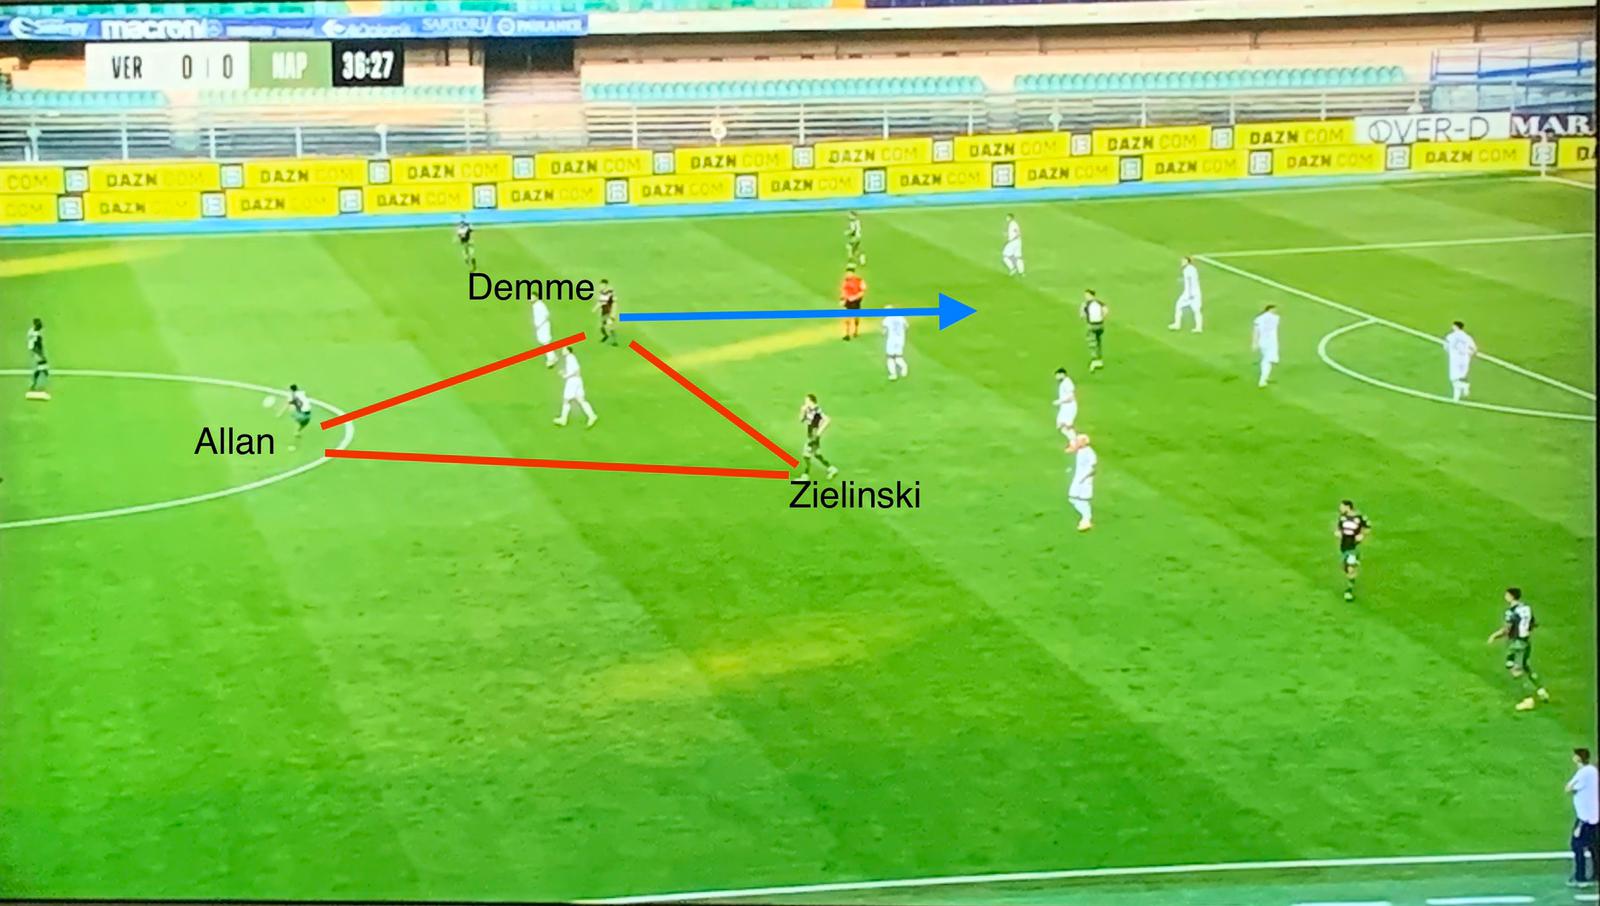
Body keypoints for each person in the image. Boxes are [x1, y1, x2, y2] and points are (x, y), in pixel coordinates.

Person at [1486, 587, 1550, 711]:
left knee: (1514, 669)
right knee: (1525, 667)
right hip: (1526, 642)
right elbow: (1533, 624)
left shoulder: (1511, 612)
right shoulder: (1526, 608)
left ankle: (1528, 700)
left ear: (1510, 596)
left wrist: (1494, 636)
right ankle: (1541, 691)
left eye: (1506, 595)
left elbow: (1506, 629)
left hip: (1517, 643)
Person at [1566, 748, 1598, 887]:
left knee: (1577, 845)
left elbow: (1568, 788)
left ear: (1579, 758)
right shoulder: (1592, 771)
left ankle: (1580, 877)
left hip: (1584, 818)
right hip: (1593, 816)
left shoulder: (1584, 772)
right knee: (1593, 846)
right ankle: (1596, 874)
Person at [553, 349, 597, 428]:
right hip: (578, 380)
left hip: (572, 381)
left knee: (566, 400)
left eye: (564, 349)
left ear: (568, 351)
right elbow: (575, 369)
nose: (562, 351)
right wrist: (564, 373)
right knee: (581, 399)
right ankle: (592, 416)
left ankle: (563, 419)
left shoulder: (570, 358)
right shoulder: (571, 358)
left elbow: (576, 370)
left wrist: (566, 376)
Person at [1335, 499, 1369, 601]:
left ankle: (1349, 591)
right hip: (1344, 546)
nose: (1340, 508)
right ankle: (1351, 578)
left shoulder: (1359, 517)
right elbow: (1339, 528)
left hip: (1353, 547)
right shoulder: (1342, 518)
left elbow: (1367, 527)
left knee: (1350, 568)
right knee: (1345, 568)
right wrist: (1338, 533)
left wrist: (1362, 535)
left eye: (1342, 507)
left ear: (1348, 507)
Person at [798, 393, 838, 479]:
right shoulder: (808, 410)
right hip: (810, 435)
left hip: (814, 436)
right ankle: (832, 469)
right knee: (817, 455)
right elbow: (801, 420)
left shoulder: (817, 410)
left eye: (806, 401)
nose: (805, 402)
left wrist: (819, 433)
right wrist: (802, 411)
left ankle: (805, 476)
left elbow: (828, 420)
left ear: (811, 401)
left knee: (806, 455)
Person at [1066, 433, 1096, 531]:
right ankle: (1085, 517)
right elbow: (1069, 450)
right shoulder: (1081, 450)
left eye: (1078, 441)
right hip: (1078, 479)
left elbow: (1093, 468)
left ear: (1083, 442)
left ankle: (1086, 520)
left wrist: (1084, 479)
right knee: (1072, 498)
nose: (1076, 442)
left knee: (1083, 500)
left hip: (1084, 481)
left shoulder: (1089, 453)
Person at [1445, 320, 1478, 402]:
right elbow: (1474, 349)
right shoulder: (1467, 337)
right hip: (1465, 359)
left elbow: (1446, 347)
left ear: (1456, 327)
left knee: (1454, 379)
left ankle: (1465, 386)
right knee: (1461, 378)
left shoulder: (1450, 336)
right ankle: (1456, 398)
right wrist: (1469, 354)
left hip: (1455, 360)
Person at [1169, 256, 1203, 332]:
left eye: (1183, 261)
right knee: (1196, 310)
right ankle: (1198, 327)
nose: (1182, 262)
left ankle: (1177, 324)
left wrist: (1190, 294)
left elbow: (1190, 281)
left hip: (1189, 293)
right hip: (1196, 293)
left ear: (1187, 262)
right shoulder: (1193, 269)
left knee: (1178, 306)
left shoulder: (1187, 270)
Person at [275, 384, 312, 451]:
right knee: (303, 423)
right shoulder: (302, 392)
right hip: (308, 415)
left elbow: (287, 405)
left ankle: (297, 429)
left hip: (300, 415)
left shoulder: (292, 396)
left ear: (291, 390)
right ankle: (297, 431)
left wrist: (280, 413)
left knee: (292, 409)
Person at [1252, 304, 1281, 388]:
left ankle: (1265, 376)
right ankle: (1262, 380)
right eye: (1274, 309)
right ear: (1270, 310)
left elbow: (1256, 331)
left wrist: (1254, 343)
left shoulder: (1258, 318)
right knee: (1267, 361)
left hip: (1262, 342)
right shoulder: (1276, 318)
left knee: (1266, 359)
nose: (1276, 311)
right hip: (1271, 342)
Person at [1082, 290, 1108, 371]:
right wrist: (1102, 318)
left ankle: (1095, 360)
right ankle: (1099, 359)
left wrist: (1086, 318)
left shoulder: (1086, 304)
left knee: (1092, 342)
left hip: (1092, 325)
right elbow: (1106, 310)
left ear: (1091, 295)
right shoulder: (1099, 302)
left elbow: (1082, 315)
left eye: (1086, 295)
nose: (1085, 297)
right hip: (1100, 325)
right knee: (1098, 341)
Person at [24, 318, 49, 401]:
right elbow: (37, 345)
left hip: (34, 351)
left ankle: (36, 384)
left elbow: (30, 341)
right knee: (43, 368)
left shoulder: (31, 331)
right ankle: (36, 385)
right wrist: (41, 354)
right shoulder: (36, 335)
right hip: (36, 352)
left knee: (42, 368)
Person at [882, 305, 909, 381]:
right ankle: (904, 367)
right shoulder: (901, 317)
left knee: (890, 357)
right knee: (898, 356)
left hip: (891, 340)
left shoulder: (886, 320)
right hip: (900, 339)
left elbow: (884, 331)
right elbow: (906, 326)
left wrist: (884, 333)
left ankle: (893, 374)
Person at [839, 266, 866, 342]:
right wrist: (842, 299)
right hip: (848, 301)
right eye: (847, 273)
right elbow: (843, 290)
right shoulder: (845, 281)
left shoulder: (859, 280)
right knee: (846, 318)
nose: (848, 275)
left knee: (856, 317)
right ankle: (847, 334)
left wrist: (855, 297)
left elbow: (862, 291)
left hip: (856, 302)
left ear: (853, 274)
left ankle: (856, 330)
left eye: (849, 273)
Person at [531, 294, 556, 368]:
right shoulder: (535, 305)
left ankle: (551, 359)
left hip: (543, 326)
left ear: (536, 297)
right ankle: (552, 357)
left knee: (545, 342)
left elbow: (546, 315)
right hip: (540, 326)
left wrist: (540, 324)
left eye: (532, 297)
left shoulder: (540, 305)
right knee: (544, 342)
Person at [1053, 367, 1077, 442]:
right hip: (1065, 408)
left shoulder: (1067, 383)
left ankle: (1075, 441)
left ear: (1062, 374)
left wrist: (1059, 401)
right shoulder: (1064, 382)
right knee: (1061, 425)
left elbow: (1071, 397)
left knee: (1065, 426)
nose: (1056, 378)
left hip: (1069, 408)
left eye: (1057, 375)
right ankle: (1074, 441)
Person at [594, 279, 619, 347]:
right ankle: (606, 336)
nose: (601, 286)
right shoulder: (602, 292)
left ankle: (614, 341)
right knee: (601, 327)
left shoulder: (610, 292)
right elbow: (601, 302)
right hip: (604, 312)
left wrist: (613, 313)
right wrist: (597, 308)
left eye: (602, 285)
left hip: (609, 312)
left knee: (610, 326)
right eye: (600, 285)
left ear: (606, 285)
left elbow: (614, 303)